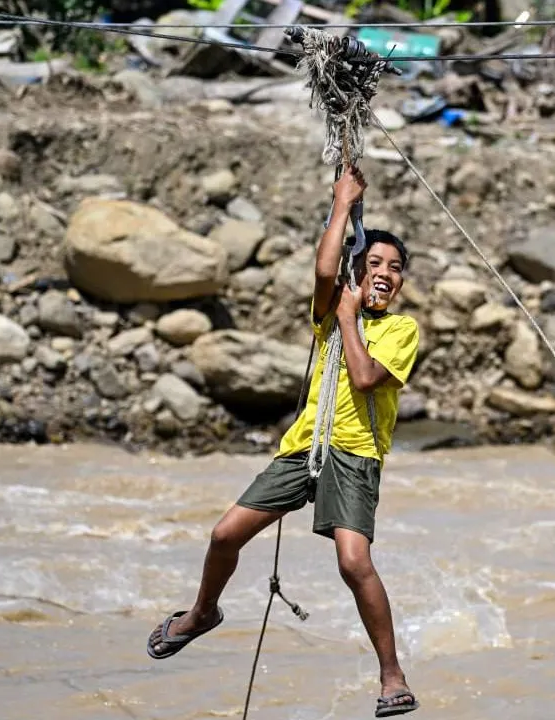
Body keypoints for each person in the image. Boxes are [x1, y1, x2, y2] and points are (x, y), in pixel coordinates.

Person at [147, 165, 423, 718]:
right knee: (224, 535)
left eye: (395, 268)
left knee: (352, 562)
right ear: (356, 272)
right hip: (304, 447)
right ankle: (203, 612)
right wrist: (343, 202)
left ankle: (391, 675)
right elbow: (325, 268)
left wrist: (348, 317)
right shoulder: (329, 311)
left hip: (354, 454)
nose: (384, 274)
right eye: (373, 264)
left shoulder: (400, 329)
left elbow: (367, 378)